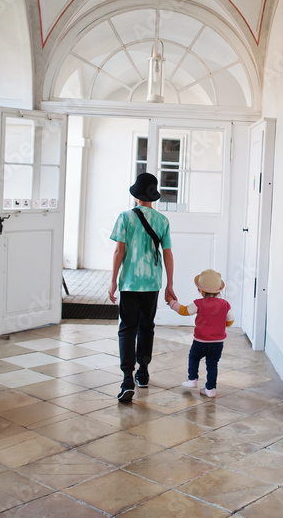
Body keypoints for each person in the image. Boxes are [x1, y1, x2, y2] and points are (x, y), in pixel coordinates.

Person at [108, 172, 175, 403]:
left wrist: (113, 280)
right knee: (147, 327)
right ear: (153, 197)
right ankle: (143, 373)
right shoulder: (162, 221)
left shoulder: (125, 217)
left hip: (129, 283)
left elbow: (119, 251)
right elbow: (167, 254)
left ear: (136, 195)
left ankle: (127, 378)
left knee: (127, 328)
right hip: (152, 284)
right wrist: (170, 284)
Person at [165, 269, 234, 398]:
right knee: (212, 364)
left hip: (200, 342)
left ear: (201, 291)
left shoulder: (198, 303)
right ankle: (210, 389)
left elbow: (184, 310)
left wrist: (171, 302)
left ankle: (192, 379)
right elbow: (230, 320)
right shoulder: (225, 304)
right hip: (217, 343)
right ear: (219, 290)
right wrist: (222, 325)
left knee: (194, 357)